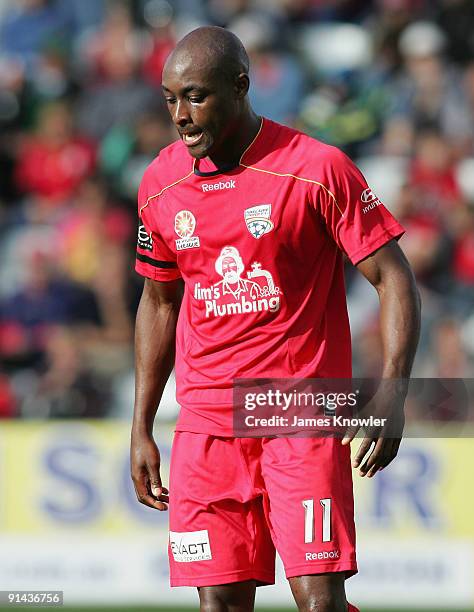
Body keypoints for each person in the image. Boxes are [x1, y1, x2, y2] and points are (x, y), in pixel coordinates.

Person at [130, 26, 420, 612]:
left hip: (300, 413)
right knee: (220, 604)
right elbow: (159, 302)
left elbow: (394, 278)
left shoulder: (316, 168)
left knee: (318, 600)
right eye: (170, 99)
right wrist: (141, 425)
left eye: (195, 96)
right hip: (206, 425)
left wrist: (392, 391)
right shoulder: (161, 183)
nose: (180, 116)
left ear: (240, 86)